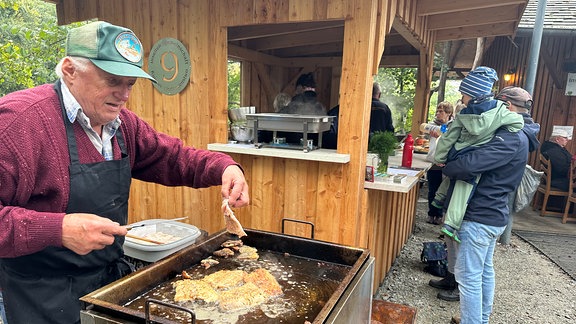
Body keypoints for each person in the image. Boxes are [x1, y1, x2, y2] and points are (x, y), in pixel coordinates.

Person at [0, 21, 249, 324]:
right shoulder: (19, 123)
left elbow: (171, 157)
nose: (124, 94)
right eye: (112, 80)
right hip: (40, 296)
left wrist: (224, 167)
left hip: (108, 285)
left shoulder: (121, 124)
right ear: (69, 69)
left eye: (130, 83)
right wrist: (58, 229)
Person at [441, 84, 529, 323]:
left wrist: (448, 165)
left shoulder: (509, 138)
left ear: (508, 106)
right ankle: (480, 319)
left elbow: (469, 164)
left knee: (469, 277)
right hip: (493, 214)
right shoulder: (514, 135)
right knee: (484, 271)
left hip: (481, 215)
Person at [432, 67, 524, 242]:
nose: (462, 98)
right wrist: (517, 127)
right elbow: (516, 121)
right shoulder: (499, 111)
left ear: (472, 94)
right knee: (464, 186)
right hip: (477, 152)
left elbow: (448, 139)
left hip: (460, 152)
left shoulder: (462, 115)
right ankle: (448, 217)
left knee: (458, 181)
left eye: (464, 94)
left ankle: (449, 220)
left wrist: (440, 159)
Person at [494, 86, 541, 245]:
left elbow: (477, 164)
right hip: (498, 202)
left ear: (507, 105)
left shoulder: (512, 133)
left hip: (489, 202)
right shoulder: (526, 132)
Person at [322, 82, 394, 149]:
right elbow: (390, 131)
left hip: (354, 146)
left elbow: (329, 122)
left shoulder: (354, 106)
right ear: (379, 94)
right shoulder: (384, 108)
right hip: (377, 148)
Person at [424, 101, 454, 225]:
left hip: (446, 161)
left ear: (449, 113)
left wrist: (439, 138)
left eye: (441, 111)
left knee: (443, 190)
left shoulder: (452, 126)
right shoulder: (432, 125)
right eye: (437, 111)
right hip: (433, 160)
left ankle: (440, 215)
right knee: (432, 189)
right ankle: (431, 213)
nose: (438, 113)